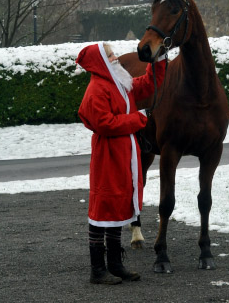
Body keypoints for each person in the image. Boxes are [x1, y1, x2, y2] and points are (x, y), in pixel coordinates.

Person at [76, 42, 166, 284]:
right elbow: (105, 123)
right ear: (101, 62)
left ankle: (115, 264)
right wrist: (138, 118)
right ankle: (98, 270)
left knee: (116, 208)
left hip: (124, 153)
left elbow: (146, 84)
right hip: (108, 155)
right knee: (102, 209)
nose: (116, 57)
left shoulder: (119, 83)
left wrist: (158, 62)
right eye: (111, 55)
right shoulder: (97, 89)